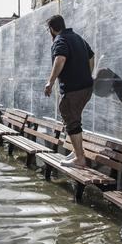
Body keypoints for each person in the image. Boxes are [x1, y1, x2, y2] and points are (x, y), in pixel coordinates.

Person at [44, 15, 94, 168]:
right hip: (86, 87)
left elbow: (60, 59)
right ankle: (77, 151)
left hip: (73, 88)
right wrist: (87, 75)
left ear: (52, 29)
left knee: (69, 116)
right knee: (73, 118)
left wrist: (50, 82)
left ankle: (80, 158)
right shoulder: (77, 37)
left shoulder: (60, 40)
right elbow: (91, 56)